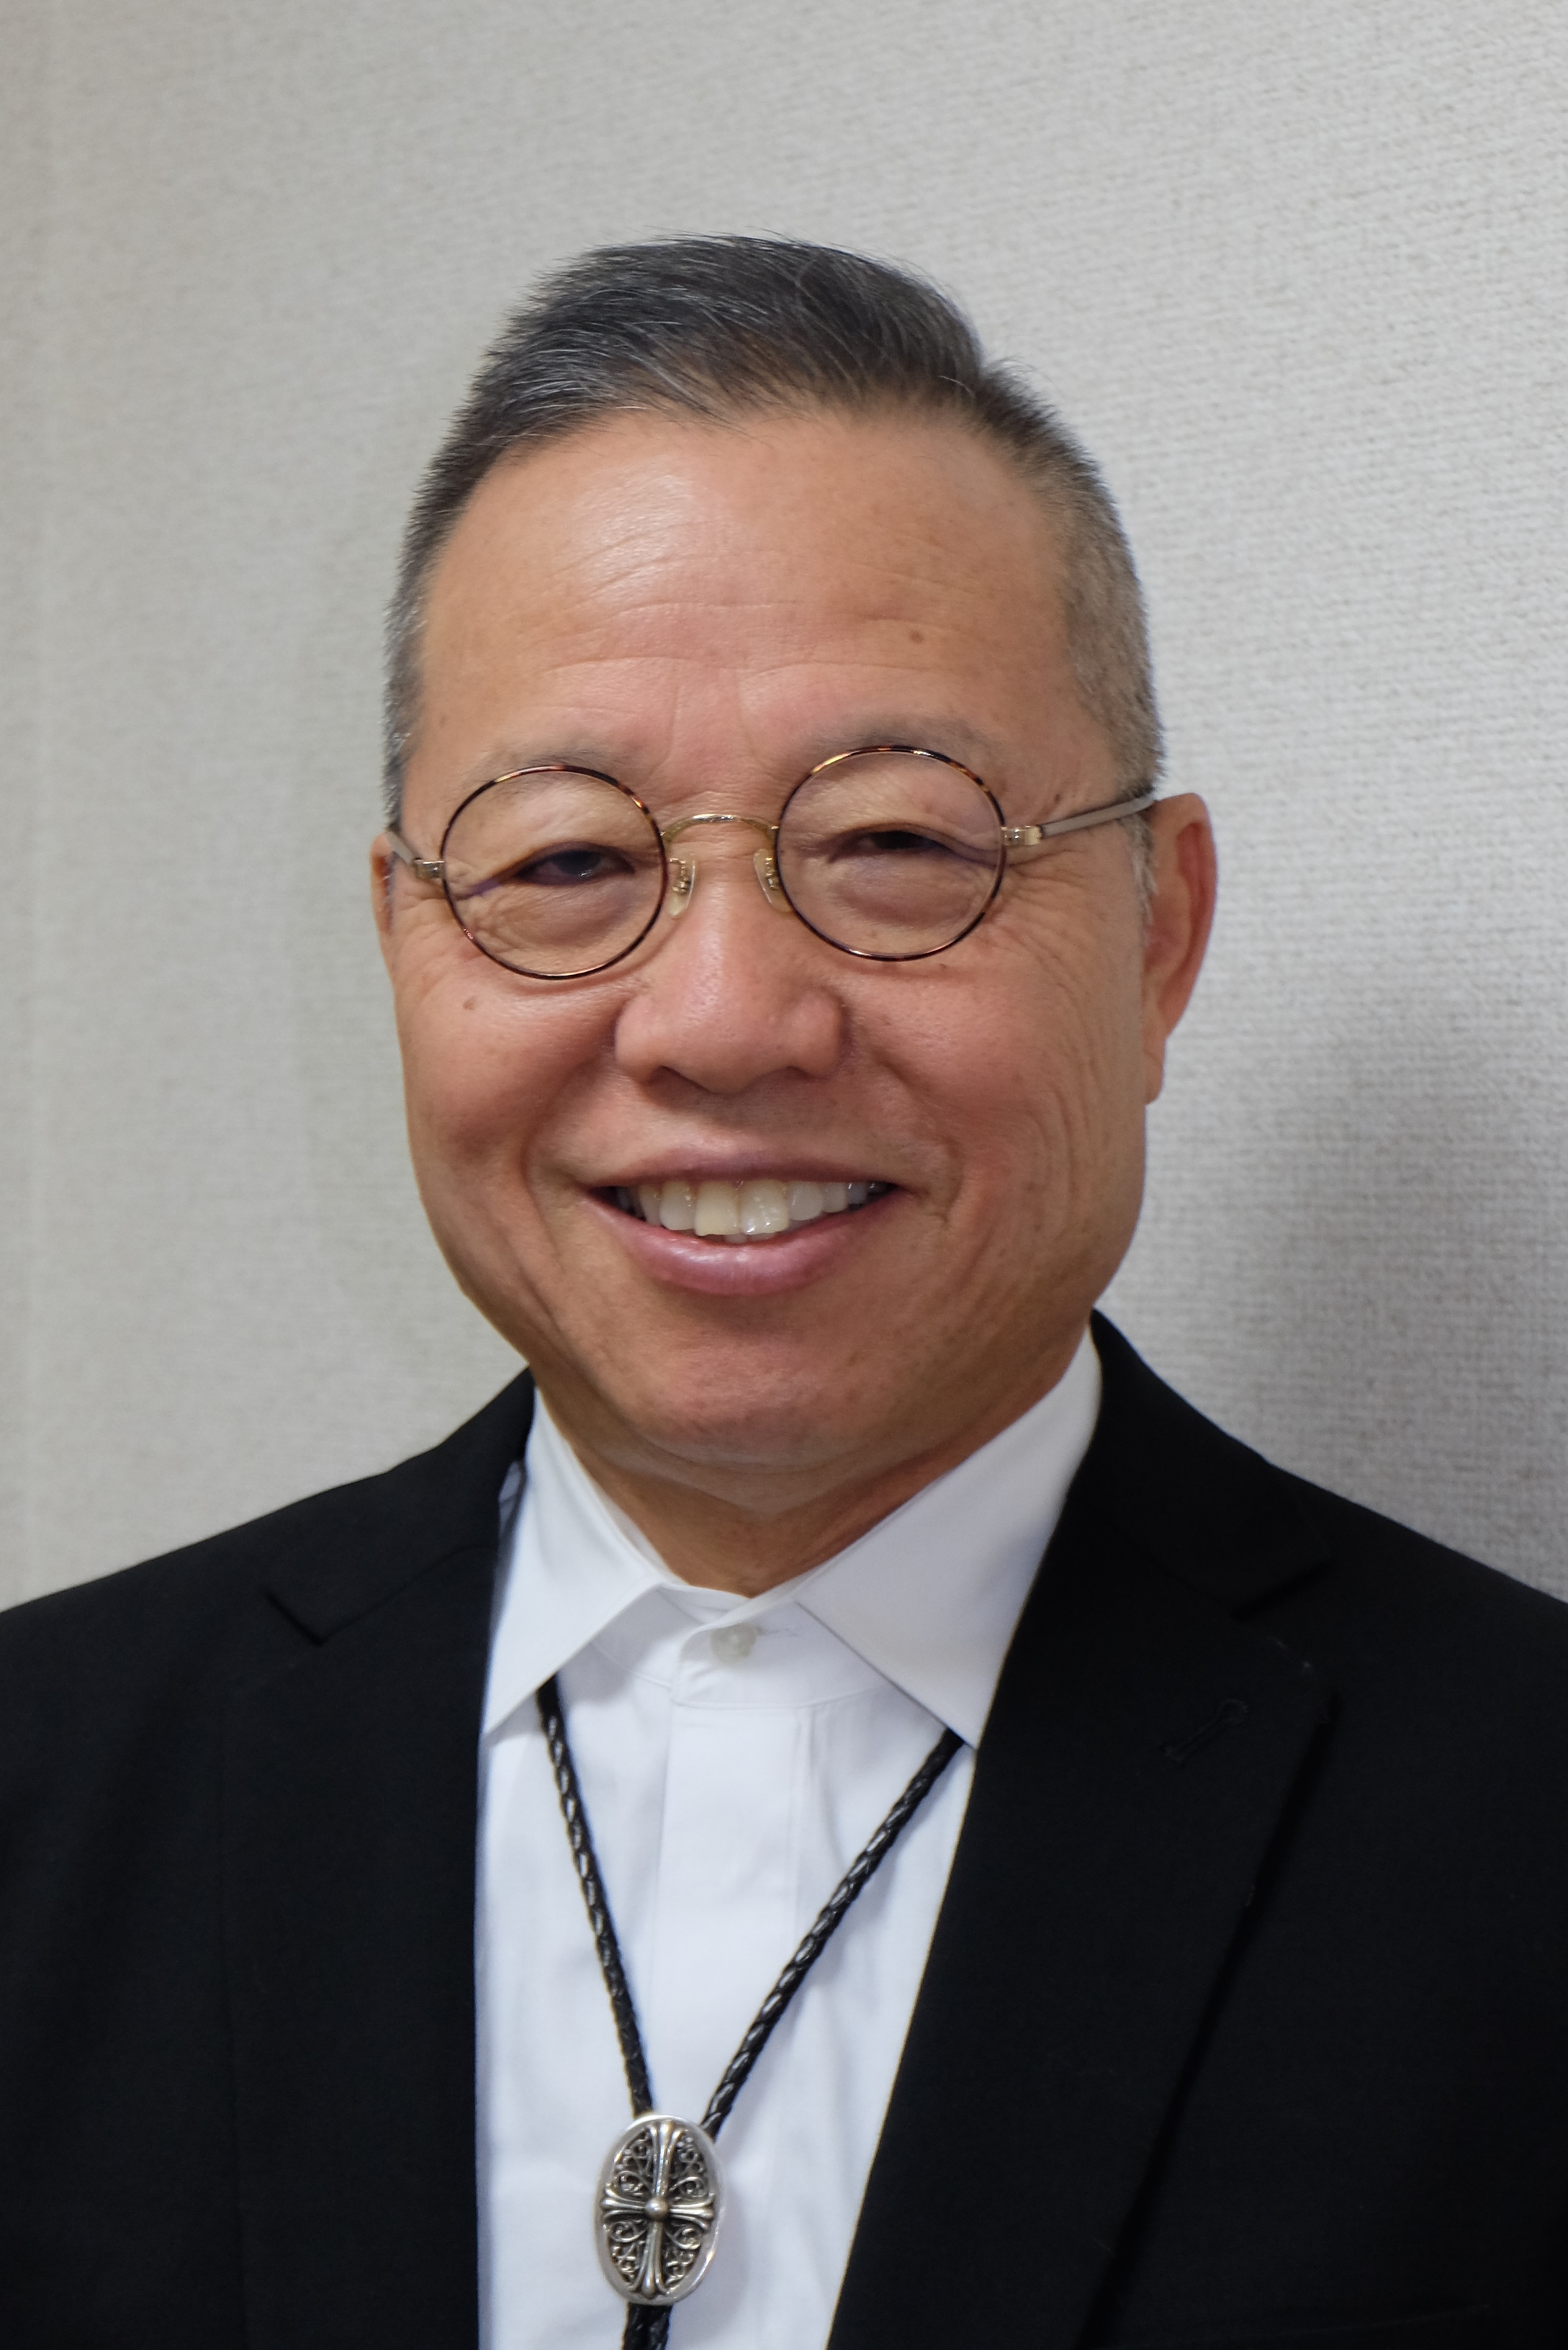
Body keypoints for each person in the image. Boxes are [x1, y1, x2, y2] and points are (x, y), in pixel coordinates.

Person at [1, 238, 1565, 2350]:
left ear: (1158, 938)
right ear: (403, 942)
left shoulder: (1520, 1836)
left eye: (899, 844)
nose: (724, 1020)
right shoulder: (45, 1784)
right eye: (566, 862)